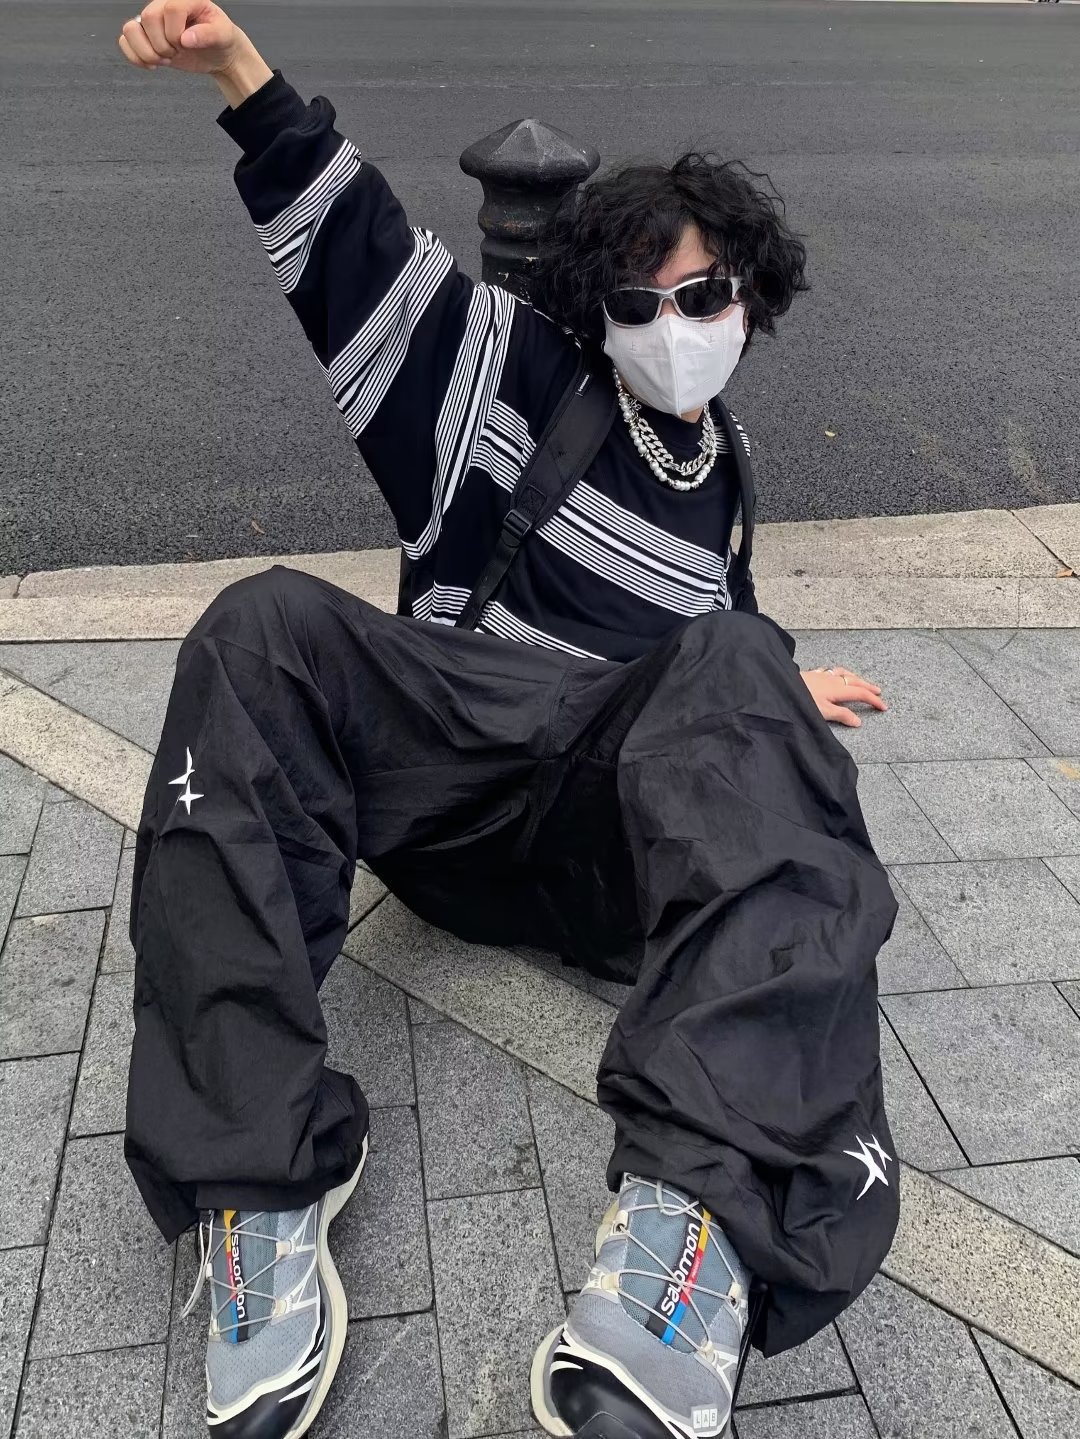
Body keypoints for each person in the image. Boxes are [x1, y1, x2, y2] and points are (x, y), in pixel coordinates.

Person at [118, 5, 900, 1438]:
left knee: (743, 657)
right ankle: (255, 1183)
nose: (675, 331)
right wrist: (242, 80)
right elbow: (362, 260)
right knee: (259, 622)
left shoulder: (724, 474)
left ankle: (690, 1255)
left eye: (704, 297)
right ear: (595, 312)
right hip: (449, 794)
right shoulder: (508, 380)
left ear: (750, 298)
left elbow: (709, 654)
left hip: (607, 862)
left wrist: (774, 696)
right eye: (640, 306)